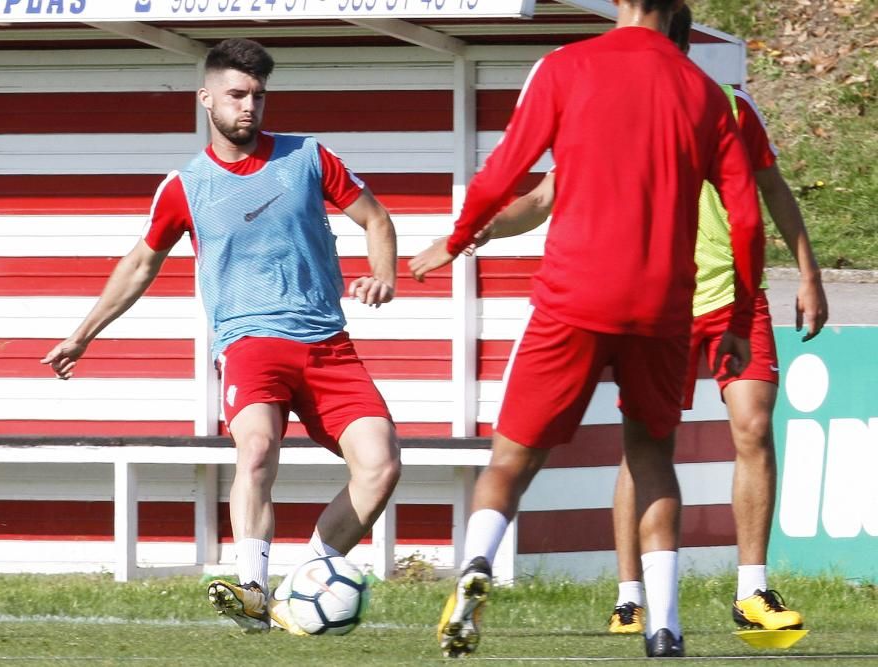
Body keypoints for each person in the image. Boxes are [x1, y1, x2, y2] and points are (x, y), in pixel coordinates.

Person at [409, 0, 766, 658]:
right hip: (662, 305)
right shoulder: (706, 94)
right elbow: (745, 218)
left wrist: (455, 241)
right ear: (677, 8)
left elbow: (503, 173)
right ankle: (664, 624)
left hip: (573, 296)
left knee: (510, 463)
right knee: (653, 457)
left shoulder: (565, 66)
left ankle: (474, 571)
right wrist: (740, 316)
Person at [41, 38, 401, 635]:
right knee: (256, 448)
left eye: (258, 95)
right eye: (237, 94)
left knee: (381, 465)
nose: (249, 107)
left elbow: (376, 218)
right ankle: (254, 588)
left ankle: (304, 582)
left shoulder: (309, 156)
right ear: (206, 98)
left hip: (328, 344)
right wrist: (82, 335)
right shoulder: (185, 186)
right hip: (248, 345)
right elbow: (138, 264)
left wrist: (383, 273)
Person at [602, 5, 828, 636]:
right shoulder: (617, 104)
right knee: (647, 445)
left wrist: (809, 276)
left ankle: (752, 592)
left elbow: (774, 188)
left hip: (736, 296)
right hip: (657, 302)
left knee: (754, 428)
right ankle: (631, 596)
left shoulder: (729, 103)